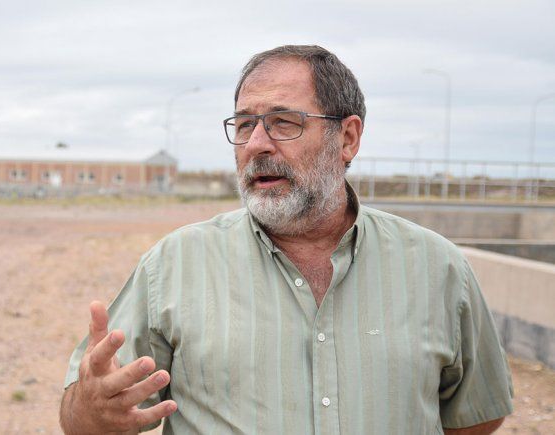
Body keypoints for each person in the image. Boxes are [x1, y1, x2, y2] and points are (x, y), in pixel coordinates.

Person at [59, 45, 513, 434]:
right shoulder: (174, 265)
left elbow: (477, 415)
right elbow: (84, 417)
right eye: (244, 125)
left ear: (347, 137)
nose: (256, 144)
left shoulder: (437, 267)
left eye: (283, 122)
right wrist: (92, 409)